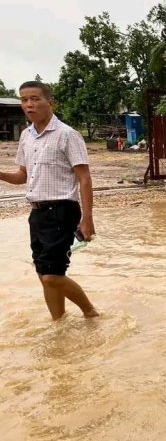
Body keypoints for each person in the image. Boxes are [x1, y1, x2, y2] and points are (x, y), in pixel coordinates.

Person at [0, 81, 98, 320]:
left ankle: (91, 313)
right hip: (37, 213)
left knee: (52, 276)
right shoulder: (26, 136)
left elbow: (84, 179)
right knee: (43, 274)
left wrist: (87, 219)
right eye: (24, 100)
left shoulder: (67, 135)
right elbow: (22, 176)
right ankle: (59, 324)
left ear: (50, 103)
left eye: (35, 99)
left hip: (62, 210)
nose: (28, 104)